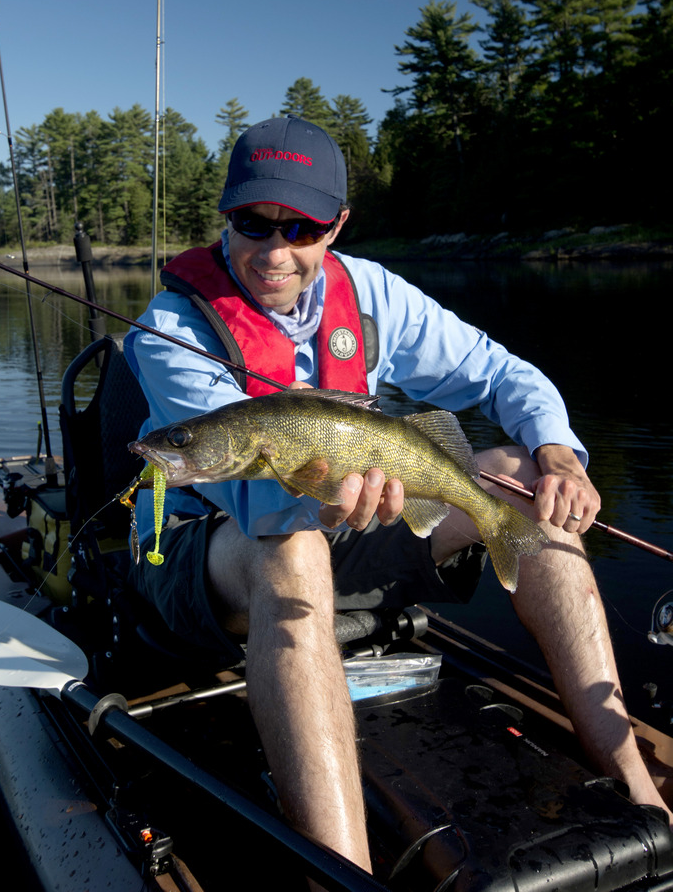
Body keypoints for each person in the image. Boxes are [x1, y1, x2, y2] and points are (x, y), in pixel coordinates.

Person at [124, 116, 671, 880]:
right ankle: (344, 871)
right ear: (225, 213)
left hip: (348, 507)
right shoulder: (166, 328)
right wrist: (341, 491)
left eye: (302, 227)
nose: (275, 251)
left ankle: (637, 788)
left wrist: (555, 453)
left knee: (515, 477)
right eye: (253, 223)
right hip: (197, 552)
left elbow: (505, 376)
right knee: (292, 547)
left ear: (337, 224)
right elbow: (254, 506)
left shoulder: (374, 294)